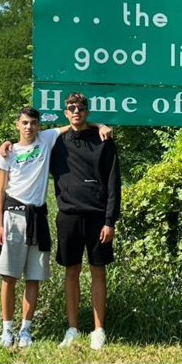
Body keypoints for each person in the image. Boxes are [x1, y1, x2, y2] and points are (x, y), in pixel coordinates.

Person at [0, 107, 110, 348]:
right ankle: (6, 329)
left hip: (39, 217)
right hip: (13, 216)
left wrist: (100, 126)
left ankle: (26, 329)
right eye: (24, 123)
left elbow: (76, 123)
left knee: (33, 277)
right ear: (17, 125)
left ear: (38, 125)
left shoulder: (46, 138)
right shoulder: (7, 153)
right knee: (9, 276)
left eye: (33, 123)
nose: (29, 127)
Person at [51, 92, 121, 350]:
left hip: (98, 217)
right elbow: (28, 140)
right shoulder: (55, 142)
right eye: (71, 108)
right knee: (71, 271)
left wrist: (110, 220)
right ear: (65, 112)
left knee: (98, 271)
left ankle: (98, 330)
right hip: (68, 216)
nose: (76, 111)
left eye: (81, 107)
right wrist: (6, 145)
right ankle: (72, 329)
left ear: (87, 111)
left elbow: (114, 183)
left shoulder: (104, 140)